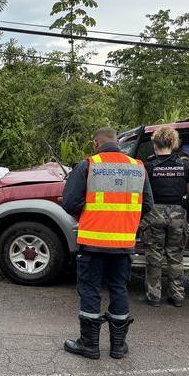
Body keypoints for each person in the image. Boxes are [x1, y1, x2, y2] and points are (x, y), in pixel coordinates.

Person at [62, 128, 153, 360]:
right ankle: (118, 346)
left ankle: (89, 345)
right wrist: (125, 221)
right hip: (123, 243)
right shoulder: (137, 166)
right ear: (118, 143)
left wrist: (88, 215)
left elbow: (70, 202)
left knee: (90, 290)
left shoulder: (89, 165)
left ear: (96, 144)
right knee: (119, 289)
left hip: (93, 242)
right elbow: (148, 205)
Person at [141, 127, 189, 308]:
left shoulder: (148, 167)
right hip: (178, 215)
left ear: (155, 144)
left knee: (154, 256)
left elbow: (142, 194)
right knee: (175, 256)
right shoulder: (185, 166)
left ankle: (153, 296)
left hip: (154, 213)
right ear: (173, 143)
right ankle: (177, 296)